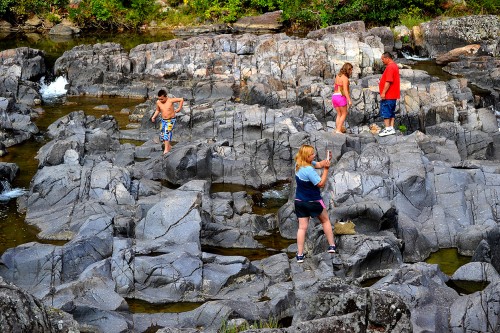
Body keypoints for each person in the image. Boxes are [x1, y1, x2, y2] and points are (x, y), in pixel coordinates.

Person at [294, 144, 336, 263]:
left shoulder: (298, 163)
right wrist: (326, 170)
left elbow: (318, 164)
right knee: (325, 220)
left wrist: (327, 161)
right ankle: (332, 246)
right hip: (313, 201)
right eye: (312, 154)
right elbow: (320, 184)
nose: (314, 155)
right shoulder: (308, 171)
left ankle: (300, 255)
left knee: (302, 228)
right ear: (307, 156)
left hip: (300, 202)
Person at [151, 89, 184, 154]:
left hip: (171, 120)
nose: (160, 100)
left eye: (162, 99)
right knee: (162, 134)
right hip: (163, 120)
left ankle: (166, 150)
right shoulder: (158, 102)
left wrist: (179, 108)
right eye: (159, 99)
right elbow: (158, 110)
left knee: (167, 133)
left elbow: (181, 99)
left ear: (166, 96)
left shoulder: (170, 100)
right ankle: (169, 146)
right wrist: (153, 117)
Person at [378, 52, 400, 137]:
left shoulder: (390, 67)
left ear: (387, 58)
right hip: (393, 94)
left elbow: (389, 81)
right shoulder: (394, 66)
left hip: (389, 94)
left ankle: (387, 129)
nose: (382, 61)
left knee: (386, 111)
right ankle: (391, 128)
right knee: (391, 111)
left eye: (383, 59)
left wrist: (383, 92)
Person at [331, 62, 353, 134]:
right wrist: (349, 100)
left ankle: (337, 129)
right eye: (351, 70)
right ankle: (338, 130)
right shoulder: (345, 78)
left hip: (334, 96)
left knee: (339, 114)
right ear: (348, 70)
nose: (351, 72)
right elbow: (345, 91)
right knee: (344, 113)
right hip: (340, 97)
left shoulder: (338, 76)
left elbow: (336, 86)